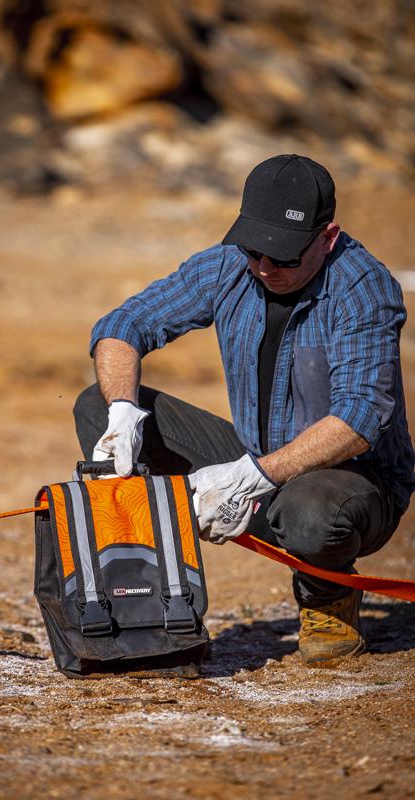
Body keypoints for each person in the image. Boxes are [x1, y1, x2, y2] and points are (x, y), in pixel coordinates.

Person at [73, 154, 415, 664]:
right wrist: (122, 412)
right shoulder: (229, 263)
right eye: (255, 250)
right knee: (94, 407)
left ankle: (328, 595)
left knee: (310, 514)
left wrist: (250, 478)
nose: (265, 267)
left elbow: (360, 419)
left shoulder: (363, 289)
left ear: (327, 237)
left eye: (284, 256)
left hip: (351, 483)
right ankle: (153, 591)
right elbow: (124, 326)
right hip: (254, 460)